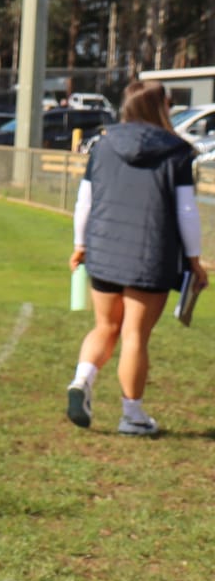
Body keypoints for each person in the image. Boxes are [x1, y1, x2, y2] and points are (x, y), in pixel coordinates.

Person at [66, 80, 208, 436]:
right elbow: (186, 209)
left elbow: (85, 201)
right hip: (151, 252)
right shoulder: (177, 151)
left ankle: (82, 381)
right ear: (160, 107)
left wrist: (80, 245)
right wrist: (194, 259)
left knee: (105, 326)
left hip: (104, 248)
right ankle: (132, 415)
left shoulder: (103, 144)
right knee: (134, 335)